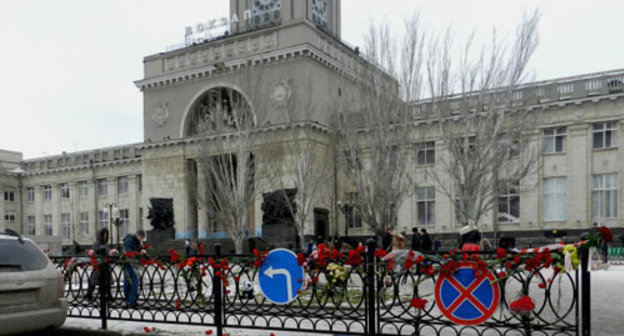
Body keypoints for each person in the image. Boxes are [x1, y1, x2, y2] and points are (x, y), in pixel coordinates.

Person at [86, 227, 111, 302]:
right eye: (104, 234)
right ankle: (89, 295)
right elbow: (95, 252)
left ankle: (108, 296)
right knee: (93, 282)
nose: (105, 236)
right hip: (98, 266)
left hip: (104, 265)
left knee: (106, 281)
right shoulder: (97, 243)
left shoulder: (104, 244)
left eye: (106, 234)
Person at [123, 229, 146, 308]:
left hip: (133, 264)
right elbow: (129, 253)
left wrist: (141, 251)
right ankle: (129, 301)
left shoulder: (136, 241)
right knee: (129, 282)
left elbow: (135, 251)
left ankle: (132, 300)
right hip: (129, 264)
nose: (142, 239)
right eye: (141, 237)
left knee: (133, 282)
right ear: (138, 235)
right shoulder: (129, 240)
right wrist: (139, 253)